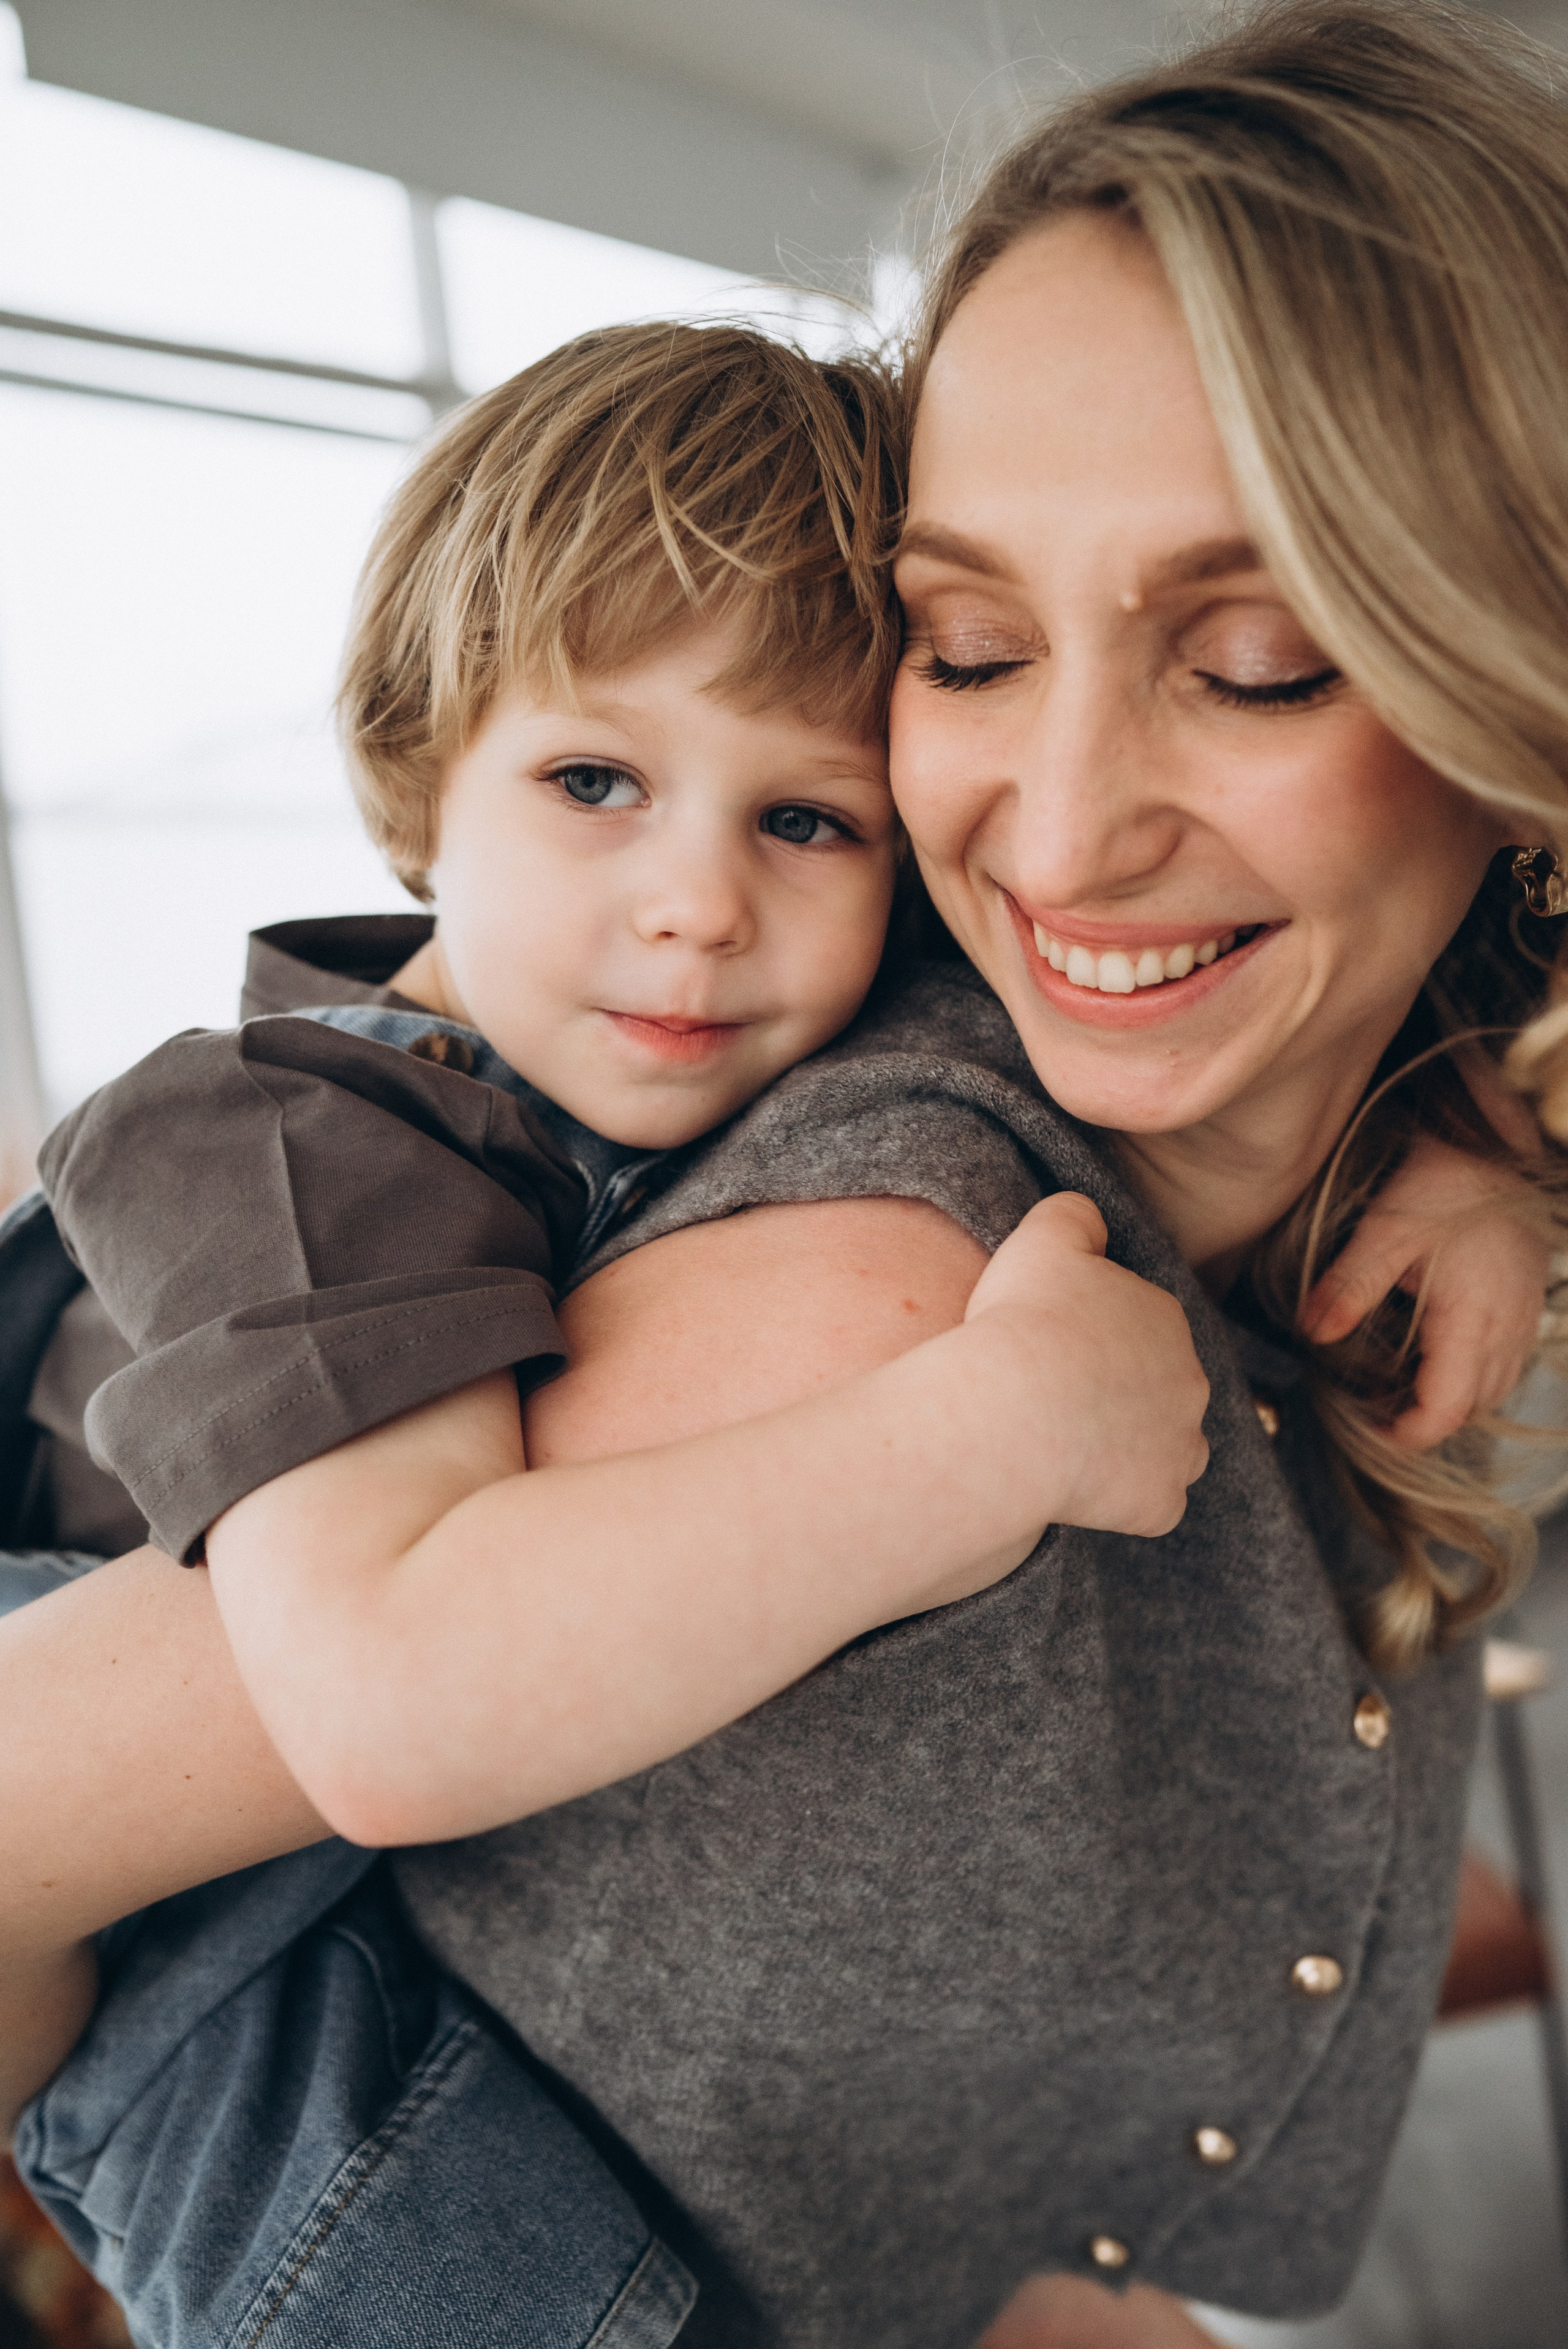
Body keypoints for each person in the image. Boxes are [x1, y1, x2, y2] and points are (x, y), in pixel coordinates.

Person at [7, 1, 1568, 2340]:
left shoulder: (1310, 1132)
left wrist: (1480, 1128)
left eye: (1249, 660)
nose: (1048, 823)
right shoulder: (802, 1266)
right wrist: (959, 1451)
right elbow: (318, 1717)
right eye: (968, 644)